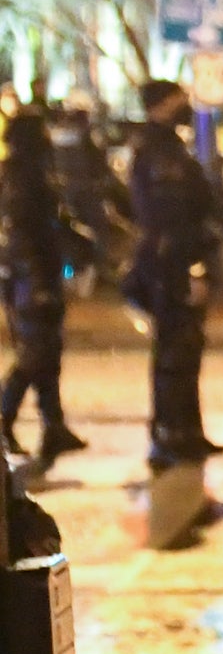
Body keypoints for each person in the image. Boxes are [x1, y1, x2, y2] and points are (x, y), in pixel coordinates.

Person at [125, 79, 222, 471]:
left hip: (177, 261)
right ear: (163, 104)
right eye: (179, 100)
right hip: (169, 266)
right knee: (173, 350)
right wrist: (189, 267)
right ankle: (169, 431)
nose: (186, 106)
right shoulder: (156, 152)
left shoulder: (169, 148)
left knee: (188, 347)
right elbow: (170, 216)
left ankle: (187, 429)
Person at [0, 109, 88, 461]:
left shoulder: (31, 174)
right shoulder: (22, 178)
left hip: (38, 275)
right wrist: (37, 281)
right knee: (33, 356)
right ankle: (4, 422)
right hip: (30, 280)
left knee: (47, 355)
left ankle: (54, 427)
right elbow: (23, 234)